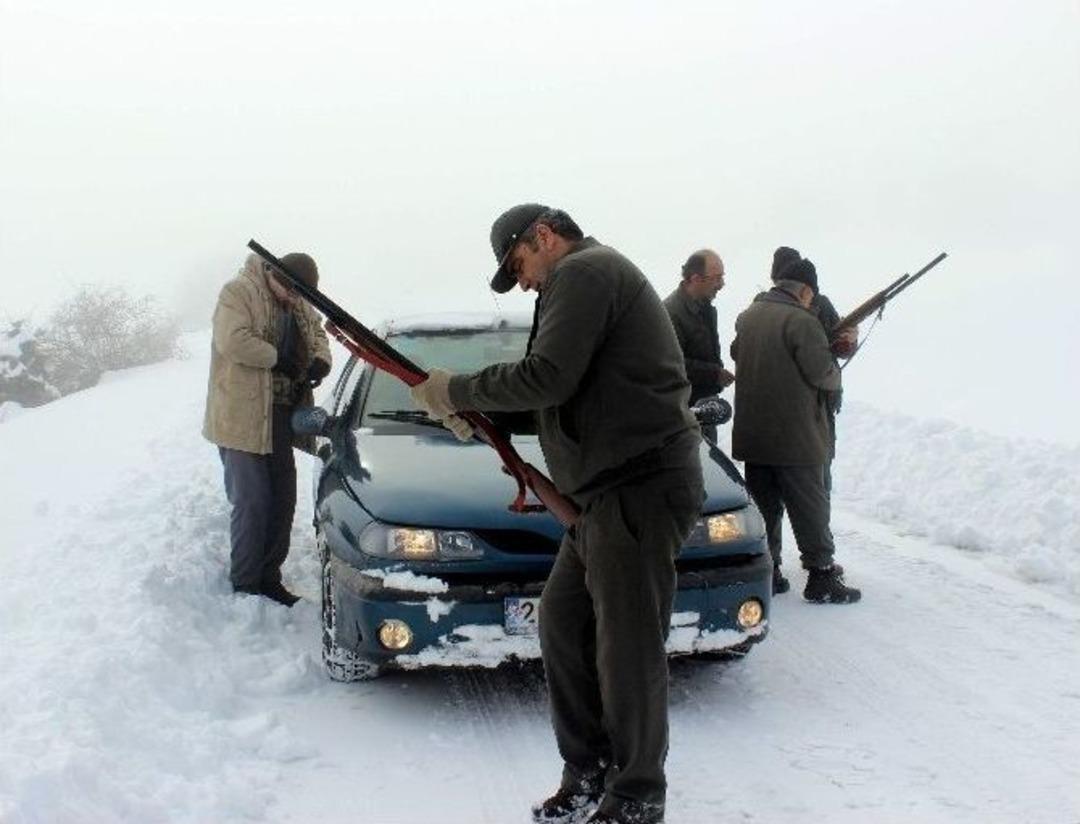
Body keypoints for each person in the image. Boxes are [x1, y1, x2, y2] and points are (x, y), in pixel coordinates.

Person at [408, 204, 703, 824]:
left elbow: (547, 378)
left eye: (518, 265)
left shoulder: (584, 272)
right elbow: (562, 396)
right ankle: (589, 771)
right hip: (603, 497)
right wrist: (477, 415)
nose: (522, 282)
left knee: (627, 647)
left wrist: (455, 388)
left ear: (542, 237)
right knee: (564, 623)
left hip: (638, 487)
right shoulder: (581, 278)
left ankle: (637, 794)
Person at [202, 251, 331, 606]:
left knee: (282, 500)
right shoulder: (238, 292)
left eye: (299, 294)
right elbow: (233, 340)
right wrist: (278, 359)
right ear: (273, 274)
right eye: (290, 290)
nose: (293, 298)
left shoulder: (297, 299)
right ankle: (246, 585)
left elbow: (318, 333)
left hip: (280, 416)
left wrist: (321, 360)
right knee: (252, 501)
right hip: (241, 417)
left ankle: (270, 578)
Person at [730, 257, 861, 604]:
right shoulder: (803, 321)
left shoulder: (749, 316)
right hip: (796, 437)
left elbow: (737, 352)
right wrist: (836, 357)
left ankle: (769, 572)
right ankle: (821, 576)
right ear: (804, 290)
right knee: (810, 509)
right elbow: (823, 374)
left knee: (765, 509)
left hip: (755, 435)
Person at [770, 246, 857, 497]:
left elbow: (841, 346)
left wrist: (848, 341)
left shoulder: (821, 304)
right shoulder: (767, 306)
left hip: (821, 401)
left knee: (821, 470)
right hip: (788, 402)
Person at [662, 249, 735, 442]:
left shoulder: (704, 307)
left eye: (723, 277)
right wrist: (714, 374)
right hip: (685, 415)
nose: (722, 284)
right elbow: (670, 364)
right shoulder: (671, 313)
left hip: (706, 407)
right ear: (696, 279)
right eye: (717, 278)